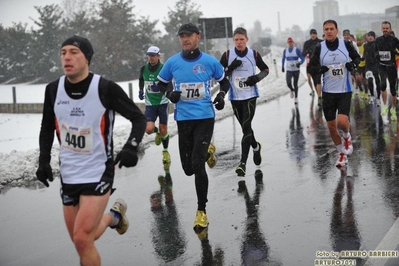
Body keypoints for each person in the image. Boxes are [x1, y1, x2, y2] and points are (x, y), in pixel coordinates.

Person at [35, 35, 146, 266]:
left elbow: (138, 118)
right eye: (63, 52)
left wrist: (131, 147)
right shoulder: (53, 89)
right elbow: (47, 127)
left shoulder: (105, 89)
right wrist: (43, 161)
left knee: (82, 240)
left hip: (98, 171)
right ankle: (115, 217)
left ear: (87, 58)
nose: (67, 57)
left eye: (74, 52)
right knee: (85, 238)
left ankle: (113, 216)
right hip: (69, 174)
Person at [156, 23, 230, 232]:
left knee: (197, 166)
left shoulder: (209, 61)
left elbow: (225, 83)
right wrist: (170, 94)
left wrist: (222, 96)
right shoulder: (172, 62)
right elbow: (162, 83)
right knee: (188, 169)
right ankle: (207, 152)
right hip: (183, 119)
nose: (185, 39)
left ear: (198, 37)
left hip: (205, 117)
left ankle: (201, 211)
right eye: (182, 36)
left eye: (189, 36)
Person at [308, 20, 361, 168]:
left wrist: (353, 65)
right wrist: (320, 69)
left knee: (342, 122)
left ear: (337, 30)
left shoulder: (346, 44)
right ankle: (342, 153)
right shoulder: (319, 47)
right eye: (326, 29)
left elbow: (357, 58)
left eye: (332, 29)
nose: (329, 31)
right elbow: (311, 66)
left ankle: (347, 136)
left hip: (344, 90)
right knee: (331, 126)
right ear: (323, 31)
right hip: (328, 92)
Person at [219, 27, 269, 176]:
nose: (239, 42)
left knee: (246, 126)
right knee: (245, 129)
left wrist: (256, 78)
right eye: (236, 40)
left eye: (242, 39)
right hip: (235, 97)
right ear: (233, 41)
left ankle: (242, 164)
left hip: (250, 96)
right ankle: (255, 146)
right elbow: (219, 75)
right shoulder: (227, 55)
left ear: (247, 39)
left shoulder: (254, 54)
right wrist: (230, 68)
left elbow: (265, 69)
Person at [139, 46, 172, 166]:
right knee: (148, 130)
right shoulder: (144, 68)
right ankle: (156, 132)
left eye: (153, 55)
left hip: (162, 102)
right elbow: (141, 80)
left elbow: (169, 85)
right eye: (149, 55)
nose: (151, 58)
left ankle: (165, 152)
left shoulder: (164, 69)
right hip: (150, 103)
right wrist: (141, 90)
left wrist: (161, 88)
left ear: (158, 56)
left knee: (164, 129)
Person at [375, 21, 399, 122]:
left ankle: (393, 108)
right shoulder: (378, 40)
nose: (385, 30)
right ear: (381, 29)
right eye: (383, 28)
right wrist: (377, 55)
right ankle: (384, 106)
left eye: (387, 28)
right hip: (382, 66)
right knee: (383, 85)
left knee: (393, 89)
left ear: (390, 29)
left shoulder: (394, 40)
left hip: (391, 66)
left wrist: (395, 51)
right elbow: (375, 51)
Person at [281, 37, 305, 104]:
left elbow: (302, 58)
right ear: (287, 43)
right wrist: (282, 66)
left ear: (293, 43)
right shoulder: (285, 51)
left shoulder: (296, 50)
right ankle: (292, 90)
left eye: (291, 42)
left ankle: (296, 98)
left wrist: (300, 63)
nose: (290, 44)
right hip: (289, 70)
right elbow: (283, 59)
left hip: (296, 70)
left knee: (295, 84)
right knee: (288, 83)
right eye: (289, 43)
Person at [302, 29, 323, 104]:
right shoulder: (307, 43)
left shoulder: (321, 42)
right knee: (314, 81)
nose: (313, 35)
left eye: (314, 33)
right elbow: (303, 54)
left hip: (318, 63)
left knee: (318, 80)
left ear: (316, 34)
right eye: (312, 34)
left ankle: (320, 97)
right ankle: (318, 96)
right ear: (310, 35)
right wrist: (308, 51)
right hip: (310, 64)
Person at [363, 31, 380, 105]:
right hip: (368, 66)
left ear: (374, 37)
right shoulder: (365, 45)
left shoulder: (377, 44)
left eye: (371, 36)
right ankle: (372, 95)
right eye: (369, 36)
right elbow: (364, 54)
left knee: (377, 81)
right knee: (370, 80)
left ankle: (378, 97)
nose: (370, 37)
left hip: (376, 65)